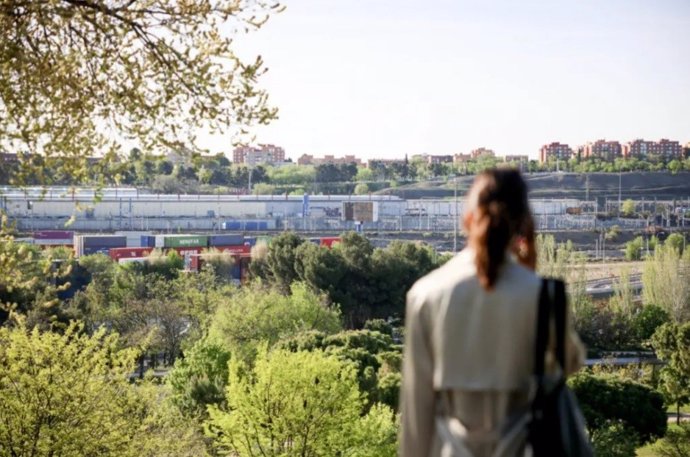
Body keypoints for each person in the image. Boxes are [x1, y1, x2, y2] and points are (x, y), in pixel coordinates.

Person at [399, 169, 584, 457]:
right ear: (524, 225)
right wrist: (530, 273)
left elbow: (416, 411)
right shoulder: (543, 296)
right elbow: (569, 363)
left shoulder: (425, 295)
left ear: (467, 218)